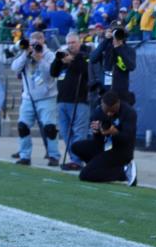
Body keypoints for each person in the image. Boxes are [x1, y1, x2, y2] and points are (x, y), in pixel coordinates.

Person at [11, 31, 60, 166]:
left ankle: (53, 156)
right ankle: (25, 155)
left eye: (37, 43)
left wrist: (40, 59)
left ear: (43, 41)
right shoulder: (26, 54)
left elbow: (51, 74)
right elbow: (15, 67)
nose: (35, 46)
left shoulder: (50, 55)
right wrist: (25, 54)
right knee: (22, 126)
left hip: (47, 97)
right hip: (28, 97)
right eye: (32, 43)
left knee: (50, 128)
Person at [71, 90, 138, 186]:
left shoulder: (129, 113)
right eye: (107, 111)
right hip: (104, 147)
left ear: (118, 103)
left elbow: (128, 138)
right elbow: (97, 140)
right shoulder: (98, 112)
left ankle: (124, 171)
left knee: (85, 175)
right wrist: (96, 131)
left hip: (120, 151)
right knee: (76, 147)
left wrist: (115, 132)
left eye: (113, 111)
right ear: (102, 104)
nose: (110, 114)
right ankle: (98, 169)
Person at [50, 32, 89, 171]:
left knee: (79, 132)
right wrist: (58, 59)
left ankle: (77, 161)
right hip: (62, 100)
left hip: (79, 100)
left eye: (73, 42)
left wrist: (71, 61)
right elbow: (53, 72)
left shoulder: (84, 55)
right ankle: (74, 158)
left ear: (79, 42)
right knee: (66, 132)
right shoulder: (64, 58)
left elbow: (84, 71)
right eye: (69, 43)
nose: (71, 45)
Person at [90, 23, 137, 105]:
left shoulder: (129, 50)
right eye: (115, 34)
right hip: (106, 91)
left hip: (121, 92)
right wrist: (106, 40)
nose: (116, 37)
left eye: (119, 34)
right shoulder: (106, 46)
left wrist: (119, 48)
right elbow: (93, 59)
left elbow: (131, 66)